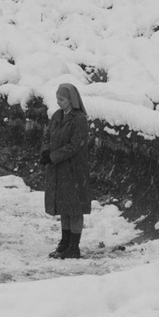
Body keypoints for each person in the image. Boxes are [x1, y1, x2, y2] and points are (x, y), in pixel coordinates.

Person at [39, 83, 92, 259]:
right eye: (57, 99)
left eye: (61, 99)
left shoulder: (79, 119)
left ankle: (74, 246)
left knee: (74, 208)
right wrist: (46, 151)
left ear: (71, 100)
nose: (58, 102)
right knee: (63, 206)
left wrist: (53, 156)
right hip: (59, 170)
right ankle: (65, 241)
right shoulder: (57, 116)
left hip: (73, 171)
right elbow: (47, 136)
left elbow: (75, 146)